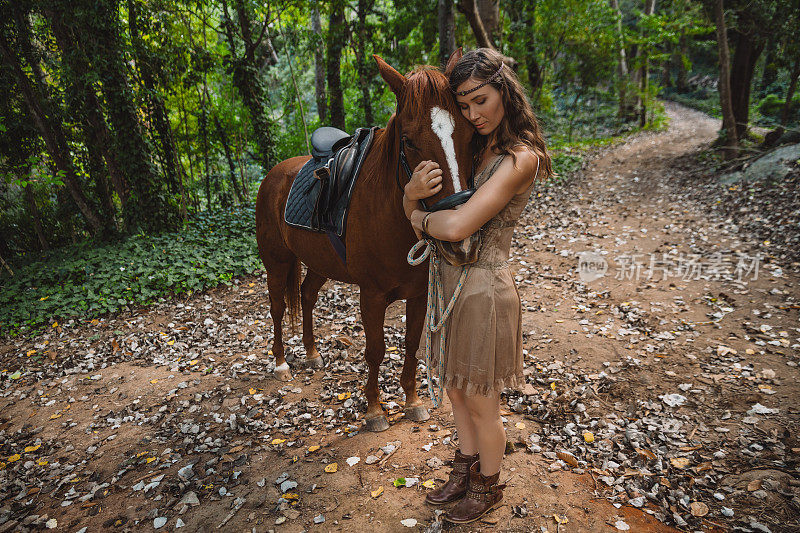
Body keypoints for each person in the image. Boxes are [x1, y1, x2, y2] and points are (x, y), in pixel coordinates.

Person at [402, 48, 553, 524]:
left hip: (484, 289)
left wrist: (416, 213)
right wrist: (412, 196)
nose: (473, 114)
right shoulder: (473, 146)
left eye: (480, 100)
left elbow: (456, 226)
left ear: (505, 92)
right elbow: (434, 226)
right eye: (464, 106)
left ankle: (488, 486)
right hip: (448, 282)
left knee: (484, 403)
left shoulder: (520, 158)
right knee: (456, 389)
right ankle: (465, 468)